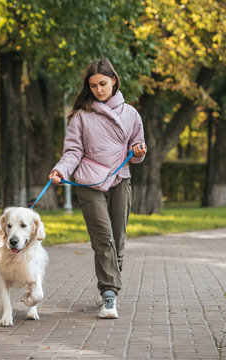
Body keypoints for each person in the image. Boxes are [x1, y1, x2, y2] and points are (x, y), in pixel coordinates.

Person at [49, 59, 147, 319]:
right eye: (93, 86)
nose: (98, 90)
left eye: (103, 84)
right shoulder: (82, 115)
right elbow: (73, 151)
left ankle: (108, 283)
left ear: (114, 80)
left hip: (120, 179)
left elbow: (137, 149)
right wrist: (61, 170)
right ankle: (109, 294)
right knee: (103, 239)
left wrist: (138, 151)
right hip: (88, 182)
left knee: (119, 240)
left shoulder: (131, 114)